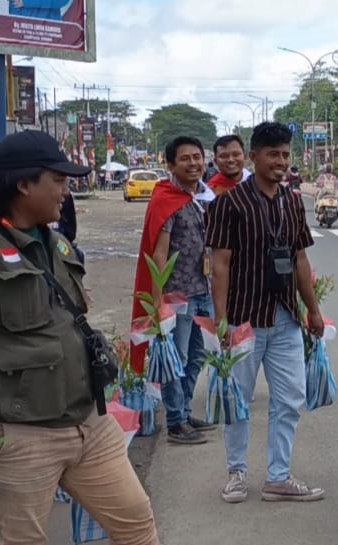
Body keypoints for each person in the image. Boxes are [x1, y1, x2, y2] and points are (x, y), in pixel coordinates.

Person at [0, 130, 159, 545]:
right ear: (23, 184)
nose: (66, 190)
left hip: (89, 422)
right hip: (17, 436)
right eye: (58, 180)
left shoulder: (56, 244)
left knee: (135, 520)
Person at [206, 122, 325, 504]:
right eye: (273, 154)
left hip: (286, 318)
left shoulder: (292, 201)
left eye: (286, 154)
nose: (281, 162)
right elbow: (219, 264)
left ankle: (278, 476)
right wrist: (221, 318)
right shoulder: (229, 204)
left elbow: (301, 258)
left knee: (290, 398)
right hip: (243, 319)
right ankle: (237, 473)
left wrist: (313, 311)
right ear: (253, 157)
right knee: (238, 399)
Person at [131, 136, 217, 445]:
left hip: (204, 290)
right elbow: (158, 254)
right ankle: (176, 422)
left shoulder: (205, 197)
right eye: (185, 159)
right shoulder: (165, 199)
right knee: (175, 357)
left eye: (198, 156)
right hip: (177, 295)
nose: (194, 163)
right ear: (170, 165)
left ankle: (183, 409)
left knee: (198, 354)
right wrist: (157, 303)